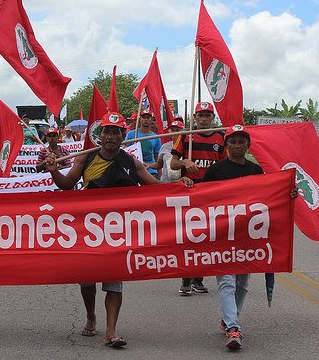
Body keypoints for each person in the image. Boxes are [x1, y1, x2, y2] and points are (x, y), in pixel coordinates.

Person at [44, 112, 193, 349]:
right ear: (99, 135)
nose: (111, 136)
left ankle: (111, 331)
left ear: (123, 136)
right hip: (88, 230)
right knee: (87, 282)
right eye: (107, 131)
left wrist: (177, 185)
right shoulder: (85, 159)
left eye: (116, 132)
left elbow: (155, 187)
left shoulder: (131, 163)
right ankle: (91, 317)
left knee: (114, 282)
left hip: (117, 232)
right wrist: (54, 171)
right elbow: (66, 185)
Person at [202, 125, 298, 350]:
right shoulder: (215, 171)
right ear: (226, 146)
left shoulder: (256, 171)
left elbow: (269, 198)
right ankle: (233, 327)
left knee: (243, 284)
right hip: (223, 235)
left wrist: (288, 194)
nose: (237, 146)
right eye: (233, 142)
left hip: (248, 237)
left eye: (241, 142)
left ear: (248, 146)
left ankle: (228, 318)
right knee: (226, 280)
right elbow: (200, 200)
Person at [170, 101, 226, 296]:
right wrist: (185, 161)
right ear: (195, 117)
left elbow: (226, 164)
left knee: (207, 237)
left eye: (207, 116)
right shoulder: (186, 137)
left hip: (211, 194)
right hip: (190, 193)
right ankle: (186, 279)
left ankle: (198, 279)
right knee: (189, 236)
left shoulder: (221, 137)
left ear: (212, 118)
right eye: (200, 115)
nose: (203, 119)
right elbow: (173, 163)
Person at [124, 111, 161, 179]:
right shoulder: (131, 134)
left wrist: (155, 167)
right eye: (144, 117)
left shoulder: (156, 137)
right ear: (140, 119)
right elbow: (125, 147)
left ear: (151, 119)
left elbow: (157, 156)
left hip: (151, 171)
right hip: (134, 169)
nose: (146, 119)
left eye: (148, 117)